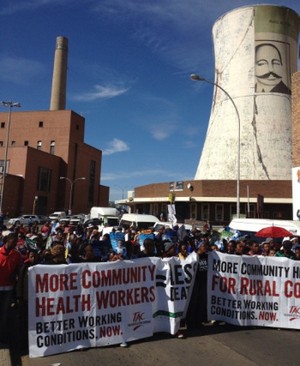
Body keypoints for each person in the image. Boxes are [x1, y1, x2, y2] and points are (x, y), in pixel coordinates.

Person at [0, 232, 22, 343]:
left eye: (16, 242)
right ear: (7, 241)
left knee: (4, 312)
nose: (15, 244)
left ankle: (2, 335)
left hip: (8, 288)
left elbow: (20, 269)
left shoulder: (16, 255)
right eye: (13, 242)